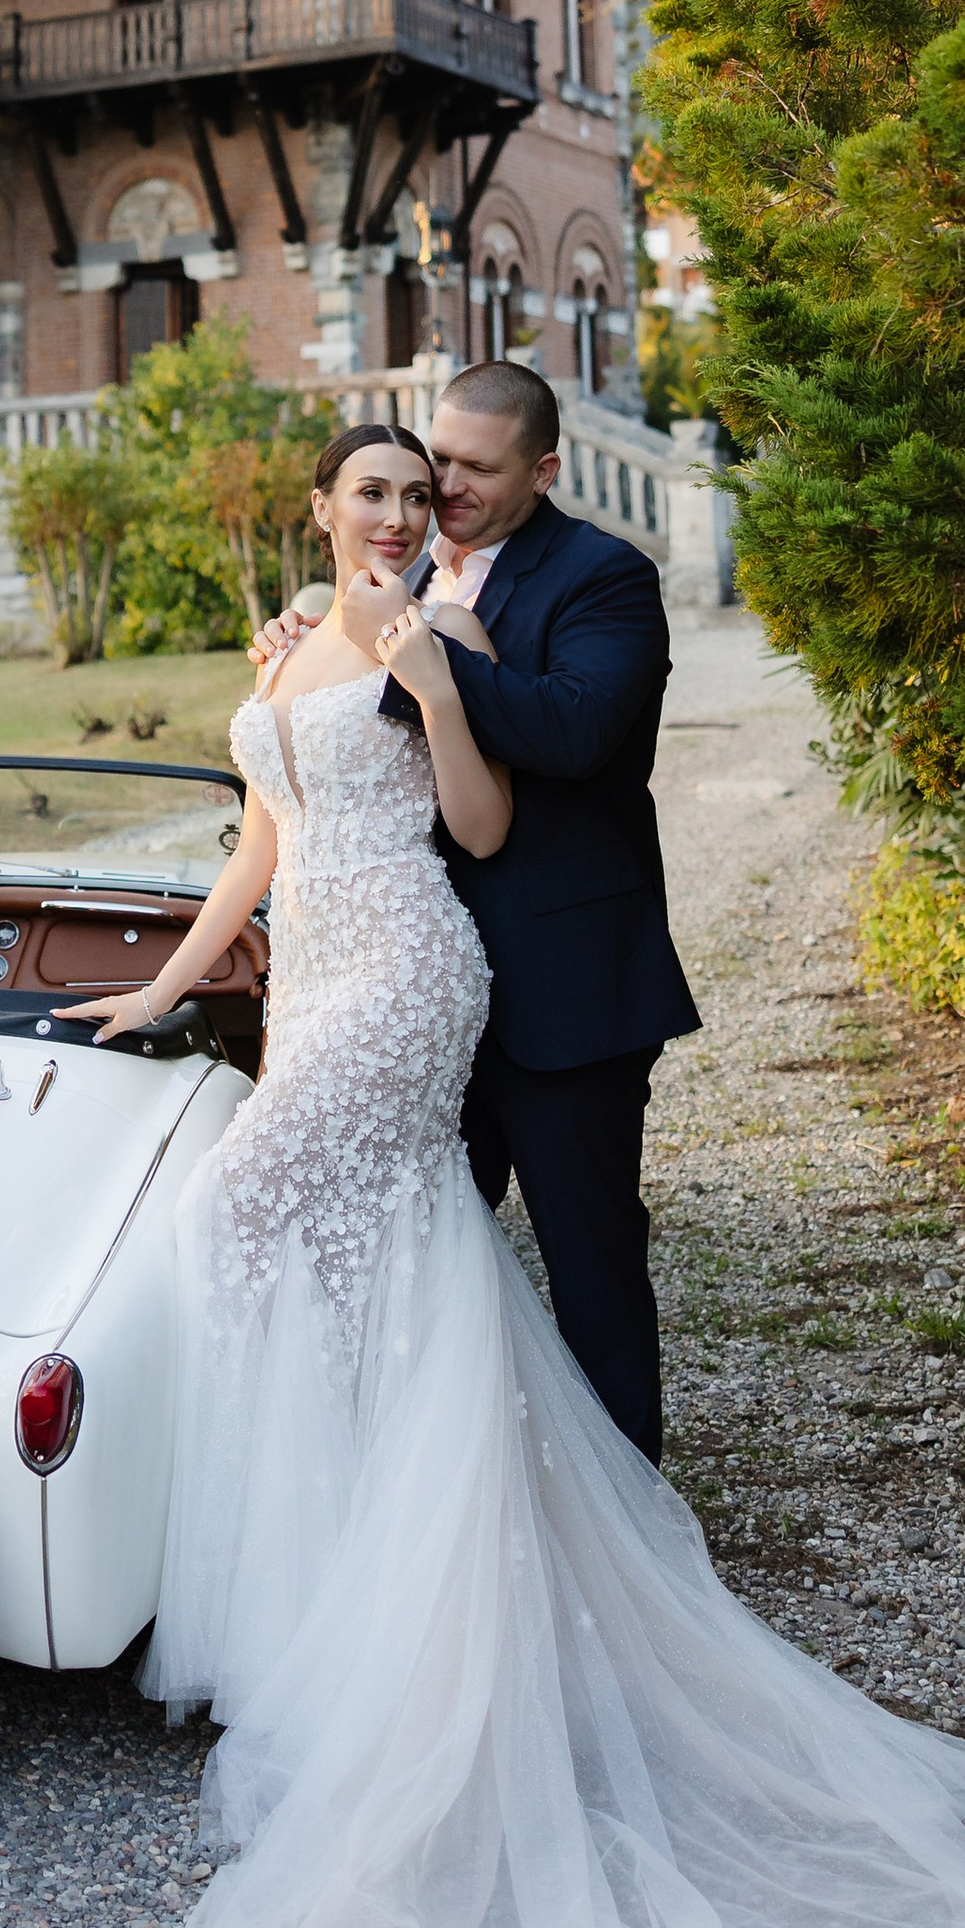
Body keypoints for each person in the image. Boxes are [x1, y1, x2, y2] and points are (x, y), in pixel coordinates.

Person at [65, 418, 965, 1928]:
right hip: (314, 978)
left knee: (249, 1219)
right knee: (375, 1262)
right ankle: (367, 1581)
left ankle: (431, 1582)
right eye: (375, 487)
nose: (400, 510)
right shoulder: (289, 625)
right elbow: (259, 842)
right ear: (322, 504)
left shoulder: (454, 630)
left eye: (422, 492)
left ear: (457, 505)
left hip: (411, 975)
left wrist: (439, 680)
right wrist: (169, 986)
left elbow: (488, 812)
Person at [253, 357, 692, 1459]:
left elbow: (577, 730)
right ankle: (426, 1494)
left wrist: (415, 660)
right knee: (416, 1255)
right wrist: (321, 652)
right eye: (433, 456)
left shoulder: (604, 576)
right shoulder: (398, 577)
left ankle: (631, 1516)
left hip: (562, 987)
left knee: (588, 1262)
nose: (441, 486)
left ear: (541, 471)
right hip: (410, 990)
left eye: (472, 469)